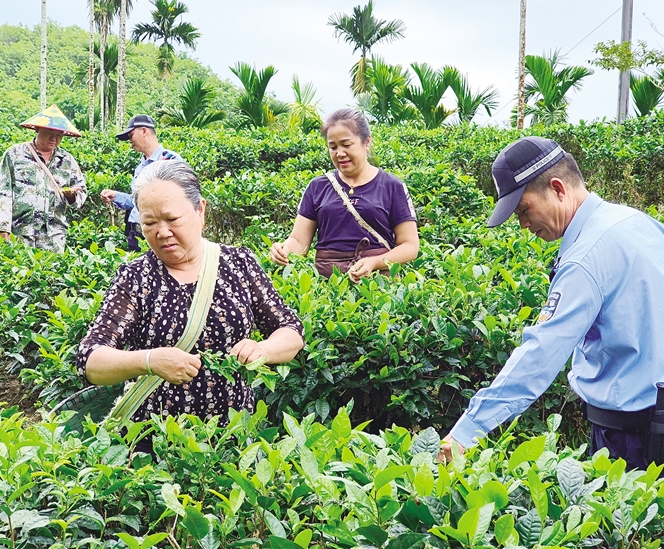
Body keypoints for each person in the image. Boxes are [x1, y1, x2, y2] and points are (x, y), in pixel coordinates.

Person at [439, 136, 664, 471]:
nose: (523, 224)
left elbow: (541, 354)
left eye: (524, 210)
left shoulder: (585, 258)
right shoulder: (638, 222)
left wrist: (468, 431)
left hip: (632, 436)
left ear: (557, 188)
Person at [77, 159, 304, 430]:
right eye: (149, 223)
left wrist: (263, 349)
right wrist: (149, 361)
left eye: (173, 219)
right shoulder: (136, 278)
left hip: (232, 437)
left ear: (200, 210)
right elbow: (90, 360)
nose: (162, 232)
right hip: (154, 441)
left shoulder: (239, 264)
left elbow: (291, 330)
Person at [269, 108, 419, 282]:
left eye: (346, 145)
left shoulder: (392, 186)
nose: (339, 153)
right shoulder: (317, 187)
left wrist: (374, 262)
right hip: (327, 286)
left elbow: (410, 246)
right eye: (333, 147)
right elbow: (298, 241)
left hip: (377, 284)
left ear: (367, 141)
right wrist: (284, 250)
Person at [0, 105, 87, 254]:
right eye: (49, 133)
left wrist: (72, 197)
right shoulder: (14, 154)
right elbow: (3, 193)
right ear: (37, 129)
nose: (54, 139)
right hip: (21, 234)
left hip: (54, 237)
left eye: (59, 135)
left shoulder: (67, 160)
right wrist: (3, 229)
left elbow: (81, 192)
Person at [100, 115, 182, 251]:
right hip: (135, 232)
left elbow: (179, 199)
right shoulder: (140, 167)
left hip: (158, 234)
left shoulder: (170, 160)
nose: (130, 141)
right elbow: (137, 202)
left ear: (144, 131)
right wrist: (116, 196)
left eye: (131, 135)